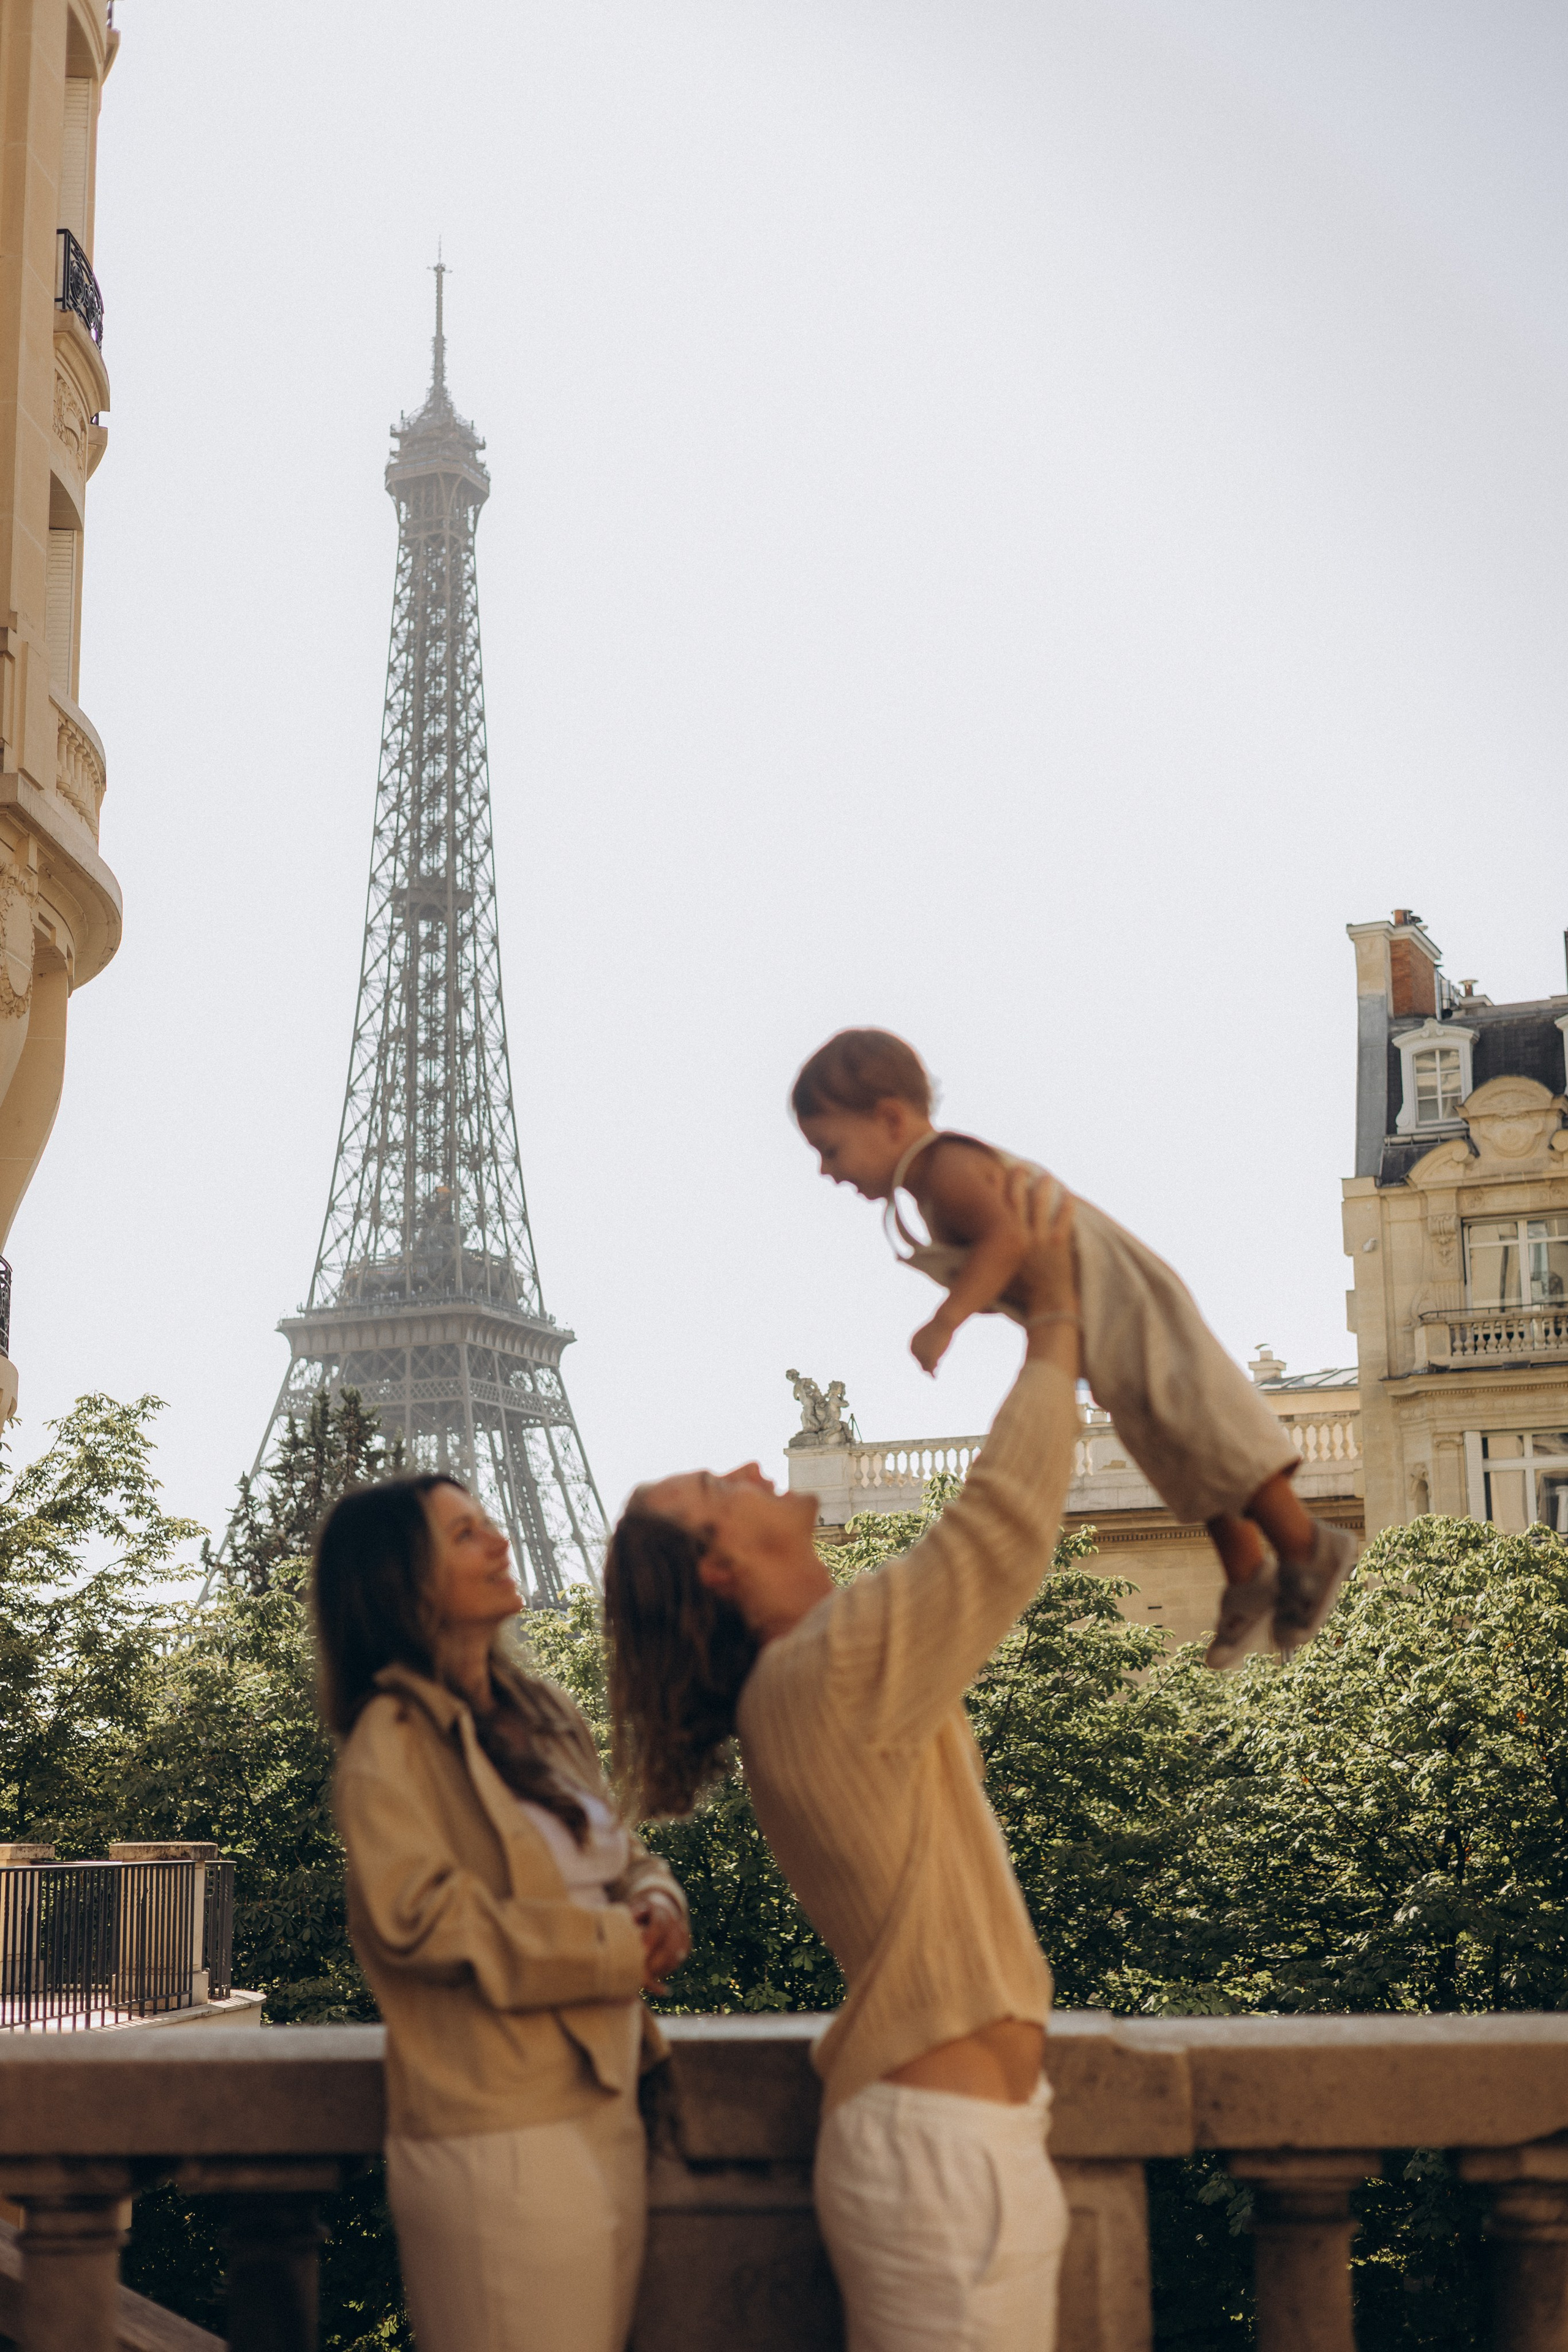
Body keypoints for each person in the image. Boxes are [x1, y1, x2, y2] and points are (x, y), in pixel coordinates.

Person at [602, 1173, 1080, 2352]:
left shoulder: (810, 1672)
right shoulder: (819, 1670)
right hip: (943, 2153)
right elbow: (1003, 1524)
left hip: (963, 2140)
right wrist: (1058, 1322)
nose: (761, 1469)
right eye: (724, 1487)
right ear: (717, 1568)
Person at [790, 1027, 1355, 1668]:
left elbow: (1004, 1242)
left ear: (890, 1118)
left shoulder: (946, 1170)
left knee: (1202, 1422)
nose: (825, 1170)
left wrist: (945, 1320)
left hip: (1118, 1298)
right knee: (1168, 1444)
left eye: (830, 1147)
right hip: (1093, 1315)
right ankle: (1248, 1570)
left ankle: (1306, 1545)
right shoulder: (923, 1189)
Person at [312, 1473, 689, 2352]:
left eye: (489, 1523)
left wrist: (657, 1899)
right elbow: (423, 1921)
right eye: (465, 1534)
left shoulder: (544, 1714)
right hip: (500, 2132)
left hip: (606, 2100)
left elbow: (615, 1851)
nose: (501, 1541)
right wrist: (609, 1948)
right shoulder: (389, 1745)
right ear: (401, 1581)